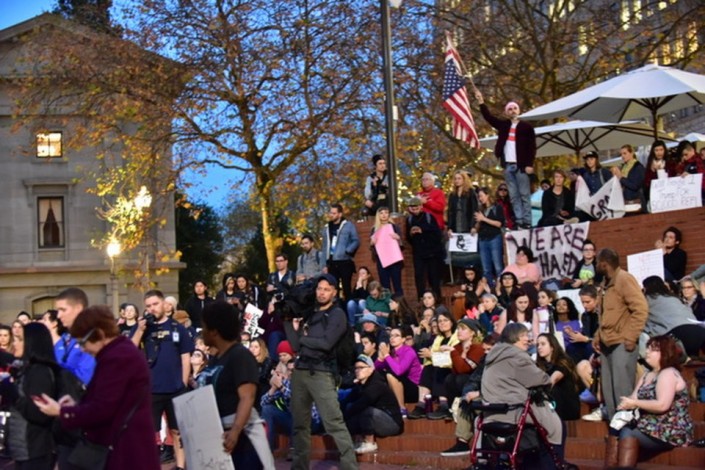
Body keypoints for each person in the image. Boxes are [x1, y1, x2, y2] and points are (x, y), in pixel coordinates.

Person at [33, 306, 160, 470]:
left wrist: (61, 412)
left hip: (126, 451)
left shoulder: (118, 358)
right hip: (123, 447)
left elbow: (103, 408)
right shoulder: (118, 353)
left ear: (99, 334)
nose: (82, 349)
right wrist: (77, 406)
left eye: (82, 342)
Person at [284, 274, 358, 469]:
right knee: (299, 425)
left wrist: (303, 339)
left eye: (326, 289)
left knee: (334, 422)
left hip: (322, 373)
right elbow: (295, 345)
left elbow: (326, 343)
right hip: (300, 371)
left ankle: (350, 466)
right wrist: (286, 319)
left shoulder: (337, 314)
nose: (322, 293)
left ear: (334, 292)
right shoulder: (310, 312)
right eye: (319, 288)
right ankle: (299, 467)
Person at [197, 300, 274, 469]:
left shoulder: (240, 356)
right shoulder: (215, 359)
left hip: (243, 438)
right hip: (220, 434)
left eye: (204, 327)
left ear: (214, 331)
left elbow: (247, 397)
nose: (202, 332)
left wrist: (235, 431)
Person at [481, 323, 564, 463]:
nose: (528, 339)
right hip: (513, 411)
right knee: (556, 426)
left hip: (491, 412)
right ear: (514, 338)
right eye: (524, 335)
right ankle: (552, 463)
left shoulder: (493, 357)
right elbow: (541, 380)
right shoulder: (517, 357)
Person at [130, 290, 194, 470]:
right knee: (149, 432)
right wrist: (140, 330)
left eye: (155, 304)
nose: (152, 308)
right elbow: (130, 350)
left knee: (177, 430)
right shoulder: (143, 328)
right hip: (152, 390)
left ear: (164, 304)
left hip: (175, 388)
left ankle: (180, 466)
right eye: (148, 306)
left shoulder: (177, 328)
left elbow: (185, 358)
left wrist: (183, 384)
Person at [608, 335, 694, 468]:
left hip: (670, 429)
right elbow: (634, 397)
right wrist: (626, 403)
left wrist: (635, 403)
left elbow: (662, 405)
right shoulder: (647, 374)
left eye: (653, 349)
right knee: (616, 427)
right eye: (647, 348)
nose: (647, 351)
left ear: (665, 353)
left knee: (628, 432)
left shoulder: (668, 373)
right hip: (649, 425)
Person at [593, 248, 648, 422]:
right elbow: (606, 314)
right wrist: (598, 335)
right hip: (607, 342)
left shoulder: (624, 279)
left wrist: (631, 336)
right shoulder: (605, 283)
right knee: (608, 388)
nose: (595, 265)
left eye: (597, 262)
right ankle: (614, 426)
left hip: (622, 342)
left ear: (604, 264)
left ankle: (627, 427)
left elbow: (641, 309)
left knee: (621, 387)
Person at [475, 90, 536, 229]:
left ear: (519, 110)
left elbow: (532, 147)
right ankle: (519, 220)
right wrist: (481, 102)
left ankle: (527, 221)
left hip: (521, 166)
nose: (513, 110)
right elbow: (489, 118)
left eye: (515, 108)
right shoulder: (503, 126)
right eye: (510, 109)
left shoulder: (527, 127)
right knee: (514, 195)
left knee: (524, 194)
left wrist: (529, 164)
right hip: (508, 165)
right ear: (506, 112)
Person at [7, 323, 57, 470]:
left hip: (35, 450)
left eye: (20, 339)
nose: (14, 343)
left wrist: (13, 394)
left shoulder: (40, 371)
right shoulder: (25, 369)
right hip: (22, 450)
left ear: (32, 343)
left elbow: (39, 413)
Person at [343, 355, 403, 454]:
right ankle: (358, 440)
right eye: (356, 368)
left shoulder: (377, 383)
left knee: (366, 410)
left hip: (392, 423)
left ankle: (370, 443)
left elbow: (363, 403)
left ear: (371, 369)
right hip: (376, 421)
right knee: (351, 409)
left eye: (361, 367)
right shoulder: (361, 385)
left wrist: (344, 417)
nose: (357, 371)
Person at [408, 310, 458, 419]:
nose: (442, 323)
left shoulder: (456, 337)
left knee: (440, 369)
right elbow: (432, 359)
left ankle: (444, 406)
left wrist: (431, 355)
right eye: (440, 321)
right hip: (439, 366)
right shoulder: (439, 338)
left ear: (451, 322)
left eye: (445, 320)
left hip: (453, 369)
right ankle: (421, 405)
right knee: (428, 368)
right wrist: (429, 356)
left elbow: (450, 359)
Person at [642, 275, 705, 357]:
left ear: (646, 288)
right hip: (698, 330)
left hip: (678, 333)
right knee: (694, 362)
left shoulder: (647, 300)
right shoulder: (674, 298)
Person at [374, 325, 422, 418]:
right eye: (391, 336)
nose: (392, 338)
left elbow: (399, 371)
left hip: (413, 388)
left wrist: (387, 355)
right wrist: (380, 358)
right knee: (379, 375)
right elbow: (377, 369)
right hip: (398, 386)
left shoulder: (409, 351)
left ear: (403, 339)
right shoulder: (391, 352)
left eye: (396, 336)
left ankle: (402, 408)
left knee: (390, 374)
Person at [406, 196, 445, 300]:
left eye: (416, 207)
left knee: (434, 277)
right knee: (419, 277)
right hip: (418, 253)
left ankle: (437, 299)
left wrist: (422, 230)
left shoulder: (429, 217)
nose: (415, 209)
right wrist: (411, 234)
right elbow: (408, 238)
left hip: (432, 252)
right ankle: (421, 299)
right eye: (412, 207)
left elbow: (437, 234)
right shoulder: (409, 220)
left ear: (421, 207)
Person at [536, 333, 581, 422]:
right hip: (553, 405)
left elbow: (554, 378)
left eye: (543, 344)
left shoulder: (563, 362)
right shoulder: (540, 365)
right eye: (538, 345)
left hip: (567, 406)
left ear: (552, 347)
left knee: (552, 390)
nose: (539, 347)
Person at [321, 203, 360, 301]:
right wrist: (324, 264)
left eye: (334, 213)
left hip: (344, 261)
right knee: (334, 288)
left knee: (346, 288)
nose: (331, 215)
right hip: (331, 262)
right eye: (330, 213)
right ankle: (336, 308)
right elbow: (324, 247)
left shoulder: (348, 225)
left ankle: (348, 307)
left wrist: (348, 251)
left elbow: (356, 240)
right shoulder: (327, 227)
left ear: (340, 214)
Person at [475, 187, 505, 287]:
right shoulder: (480, 209)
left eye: (481, 196)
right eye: (479, 197)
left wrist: (484, 219)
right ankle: (490, 287)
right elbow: (478, 225)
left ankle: (501, 287)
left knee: (498, 266)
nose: (480, 198)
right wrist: (476, 225)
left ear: (487, 195)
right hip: (482, 239)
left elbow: (499, 223)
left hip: (494, 238)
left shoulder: (497, 207)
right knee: (486, 268)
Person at [370, 206, 404, 295]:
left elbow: (401, 243)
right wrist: (372, 243)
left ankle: (399, 302)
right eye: (381, 213)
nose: (384, 215)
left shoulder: (394, 227)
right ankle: (387, 302)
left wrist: (398, 238)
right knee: (385, 285)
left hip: (394, 259)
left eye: (386, 212)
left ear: (389, 214)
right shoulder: (374, 229)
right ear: (378, 215)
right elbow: (372, 246)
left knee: (397, 283)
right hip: (382, 260)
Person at [611, 144, 646, 213]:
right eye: (621, 154)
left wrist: (621, 178)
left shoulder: (638, 167)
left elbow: (635, 186)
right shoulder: (624, 167)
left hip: (636, 201)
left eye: (625, 153)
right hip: (626, 201)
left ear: (631, 153)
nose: (622, 156)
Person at [447, 169, 479, 238]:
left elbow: (474, 209)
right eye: (455, 179)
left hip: (467, 225)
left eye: (459, 178)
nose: (457, 181)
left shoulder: (471, 192)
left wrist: (473, 226)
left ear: (464, 180)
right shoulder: (452, 195)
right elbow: (450, 212)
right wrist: (449, 227)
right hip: (455, 225)